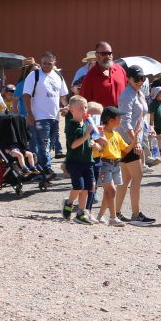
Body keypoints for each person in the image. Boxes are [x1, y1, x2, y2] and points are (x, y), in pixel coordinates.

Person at [20, 51, 69, 179]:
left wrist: (67, 106)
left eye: (49, 63)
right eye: (44, 63)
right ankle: (46, 169)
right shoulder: (34, 75)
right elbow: (26, 95)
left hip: (54, 116)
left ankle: (41, 169)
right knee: (44, 143)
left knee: (50, 144)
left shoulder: (58, 75)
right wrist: (29, 113)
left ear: (55, 62)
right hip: (39, 116)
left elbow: (63, 95)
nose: (46, 66)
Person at [117, 66, 155, 224]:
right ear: (129, 78)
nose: (141, 81)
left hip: (133, 140)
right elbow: (125, 121)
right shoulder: (127, 94)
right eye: (137, 78)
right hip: (128, 141)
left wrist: (148, 129)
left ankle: (116, 213)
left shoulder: (138, 93)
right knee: (137, 176)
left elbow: (139, 116)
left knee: (125, 179)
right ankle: (135, 215)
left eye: (143, 78)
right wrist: (136, 142)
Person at [62, 96, 100, 225]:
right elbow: (73, 145)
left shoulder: (87, 123)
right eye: (80, 108)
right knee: (78, 186)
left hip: (88, 160)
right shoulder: (71, 125)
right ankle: (68, 203)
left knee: (88, 188)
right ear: (71, 110)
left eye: (85, 107)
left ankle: (81, 213)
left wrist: (95, 144)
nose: (83, 110)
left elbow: (91, 140)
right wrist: (86, 136)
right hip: (75, 161)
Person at [95, 106, 129, 226]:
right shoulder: (100, 133)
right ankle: (113, 218)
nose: (121, 119)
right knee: (112, 190)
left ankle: (100, 216)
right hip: (105, 164)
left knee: (108, 192)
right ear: (111, 120)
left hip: (115, 164)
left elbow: (126, 148)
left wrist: (136, 141)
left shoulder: (116, 134)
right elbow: (98, 151)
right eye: (119, 117)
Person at [80, 42, 126, 108]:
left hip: (121, 116)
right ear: (97, 55)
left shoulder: (120, 70)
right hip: (101, 117)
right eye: (104, 54)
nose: (107, 56)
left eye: (109, 53)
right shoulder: (90, 77)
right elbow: (84, 102)